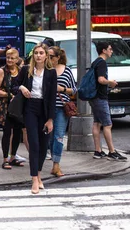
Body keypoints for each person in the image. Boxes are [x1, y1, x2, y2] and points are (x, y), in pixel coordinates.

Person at [14, 43, 56, 194]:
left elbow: (52, 97)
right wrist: (22, 87)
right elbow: (14, 84)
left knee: (44, 145)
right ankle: (34, 179)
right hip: (30, 108)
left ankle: (39, 175)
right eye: (36, 53)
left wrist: (50, 119)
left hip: (44, 110)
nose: (38, 55)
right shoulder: (26, 70)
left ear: (46, 56)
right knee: (34, 144)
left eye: (41, 53)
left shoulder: (51, 73)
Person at [90, 41, 127, 161]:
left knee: (97, 122)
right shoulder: (101, 63)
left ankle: (98, 151)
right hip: (100, 97)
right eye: (110, 49)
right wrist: (110, 82)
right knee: (107, 124)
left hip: (94, 96)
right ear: (104, 50)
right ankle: (112, 151)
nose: (111, 51)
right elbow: (101, 79)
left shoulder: (95, 62)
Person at [0, 48, 26, 170]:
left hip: (18, 106)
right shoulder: (2, 71)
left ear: (17, 59)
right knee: (7, 132)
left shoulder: (21, 70)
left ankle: (13, 157)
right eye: (8, 57)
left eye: (12, 58)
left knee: (17, 131)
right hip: (5, 105)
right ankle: (5, 159)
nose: (10, 60)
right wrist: (8, 95)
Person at [48, 46, 77, 177]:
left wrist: (62, 89)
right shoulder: (45, 70)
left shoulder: (67, 70)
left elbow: (74, 90)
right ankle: (52, 160)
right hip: (46, 107)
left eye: (51, 57)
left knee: (58, 136)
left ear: (58, 57)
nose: (48, 59)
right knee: (49, 137)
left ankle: (56, 165)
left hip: (61, 108)